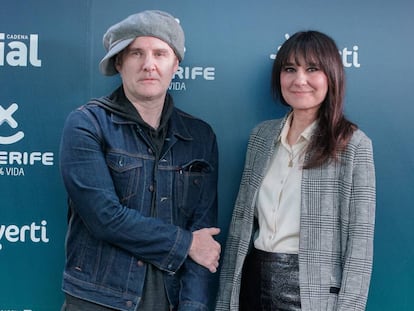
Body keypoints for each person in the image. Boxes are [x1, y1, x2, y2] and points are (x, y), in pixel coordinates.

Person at [59, 10, 221, 311]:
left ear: (176, 65)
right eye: (136, 53)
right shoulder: (86, 124)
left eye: (160, 53)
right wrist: (185, 244)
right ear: (119, 62)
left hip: (172, 301)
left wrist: (194, 306)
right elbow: (104, 218)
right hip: (98, 300)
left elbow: (205, 237)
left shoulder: (200, 136)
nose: (149, 65)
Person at [216, 30, 376, 311]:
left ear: (331, 76)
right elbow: (241, 226)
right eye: (290, 69)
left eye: (312, 68)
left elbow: (359, 244)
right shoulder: (261, 137)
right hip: (252, 284)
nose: (299, 79)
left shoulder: (352, 144)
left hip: (312, 294)